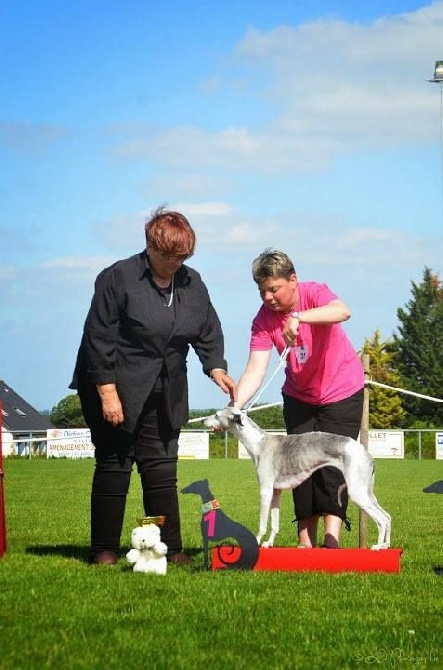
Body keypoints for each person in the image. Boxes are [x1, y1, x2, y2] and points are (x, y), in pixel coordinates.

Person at [70, 207, 236, 565]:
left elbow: (208, 328)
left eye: (184, 257)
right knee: (115, 464)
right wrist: (107, 392)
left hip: (166, 388)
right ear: (151, 247)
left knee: (161, 469)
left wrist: (216, 367)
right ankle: (104, 549)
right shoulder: (118, 277)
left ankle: (167, 548)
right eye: (171, 256)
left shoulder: (193, 283)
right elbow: (98, 336)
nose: (177, 263)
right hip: (116, 383)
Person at [233, 248, 364, 549]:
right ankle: (306, 542)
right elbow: (256, 369)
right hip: (299, 398)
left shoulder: (314, 292)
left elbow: (342, 311)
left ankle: (332, 541)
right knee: (296, 469)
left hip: (342, 392)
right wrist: (234, 408)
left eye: (273, 289)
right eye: (262, 290)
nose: (267, 297)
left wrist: (299, 317)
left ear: (293, 280)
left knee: (333, 470)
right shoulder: (263, 320)